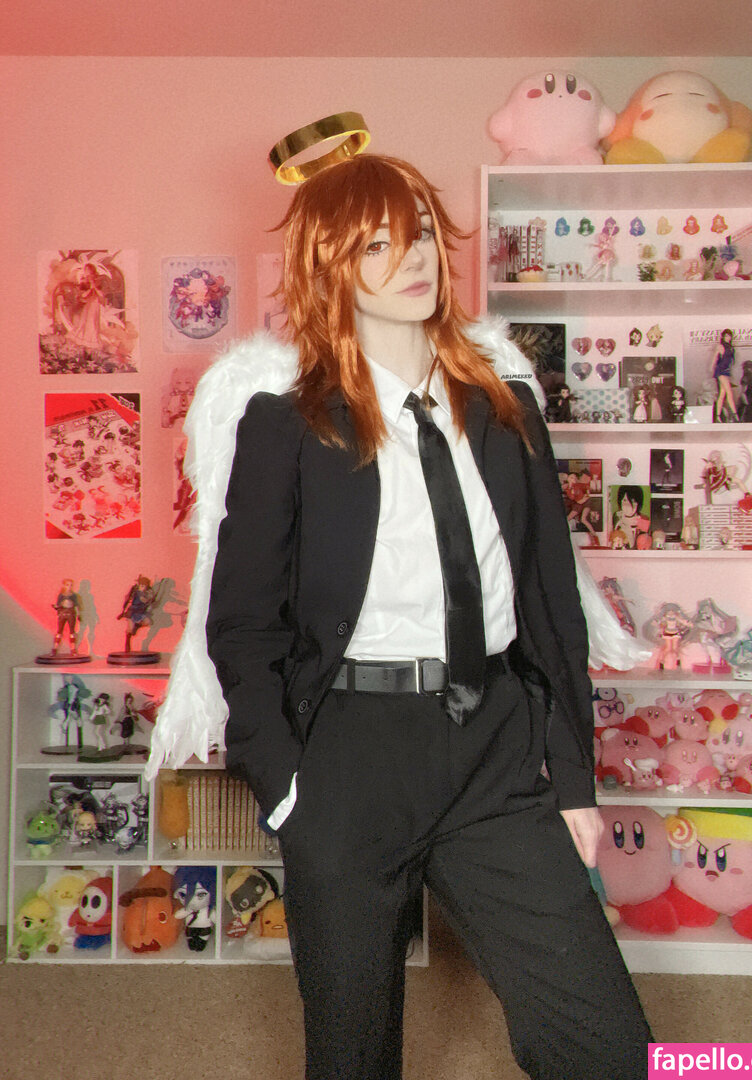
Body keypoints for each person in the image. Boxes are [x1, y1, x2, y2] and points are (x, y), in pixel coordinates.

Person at [150, 152, 650, 1079]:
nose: (412, 257)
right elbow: (243, 626)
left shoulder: (508, 410)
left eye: (419, 232)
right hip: (349, 756)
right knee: (352, 1053)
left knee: (609, 1044)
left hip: (496, 746)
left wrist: (576, 779)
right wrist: (287, 788)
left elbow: (551, 605)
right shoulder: (285, 425)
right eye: (375, 244)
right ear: (330, 268)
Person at [711, 328, 740, 422]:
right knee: (729, 392)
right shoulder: (720, 346)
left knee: (722, 393)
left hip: (726, 371)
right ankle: (735, 414)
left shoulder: (730, 347)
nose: (728, 337)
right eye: (726, 336)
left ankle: (718, 416)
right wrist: (711, 367)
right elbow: (715, 357)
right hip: (720, 370)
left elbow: (730, 360)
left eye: (729, 336)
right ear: (723, 336)